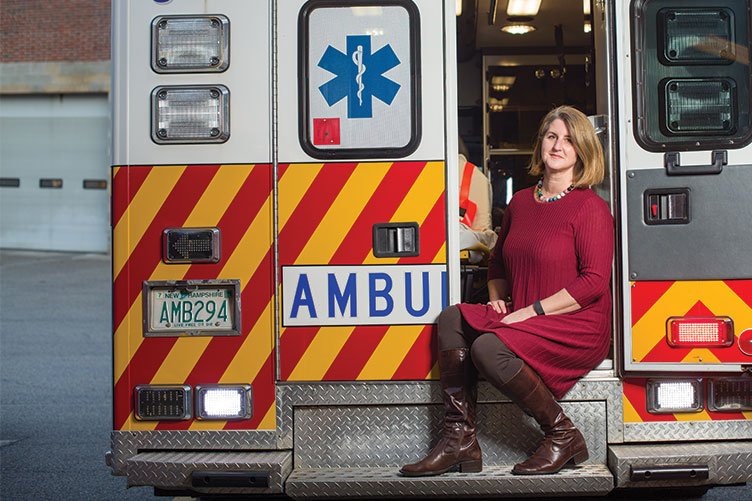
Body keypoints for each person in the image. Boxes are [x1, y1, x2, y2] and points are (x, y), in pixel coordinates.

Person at [400, 106, 614, 477]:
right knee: (452, 316)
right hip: (524, 314)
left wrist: (528, 312)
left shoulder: (590, 207)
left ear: (582, 151)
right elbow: (497, 261)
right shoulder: (519, 203)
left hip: (576, 321)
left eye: (568, 139)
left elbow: (593, 283)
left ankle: (561, 435)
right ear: (541, 144)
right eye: (551, 136)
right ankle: (459, 440)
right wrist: (498, 295)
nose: (558, 145)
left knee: (487, 347)